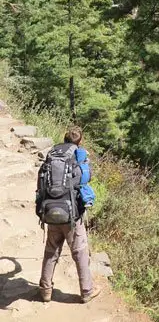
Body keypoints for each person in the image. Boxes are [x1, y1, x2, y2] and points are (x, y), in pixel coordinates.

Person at [37, 126, 101, 304]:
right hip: (71, 214)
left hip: (50, 210)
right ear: (79, 140)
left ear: (65, 139)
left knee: (51, 250)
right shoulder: (78, 155)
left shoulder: (53, 152)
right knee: (80, 251)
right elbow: (85, 178)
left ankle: (45, 291)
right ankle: (87, 291)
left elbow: (41, 179)